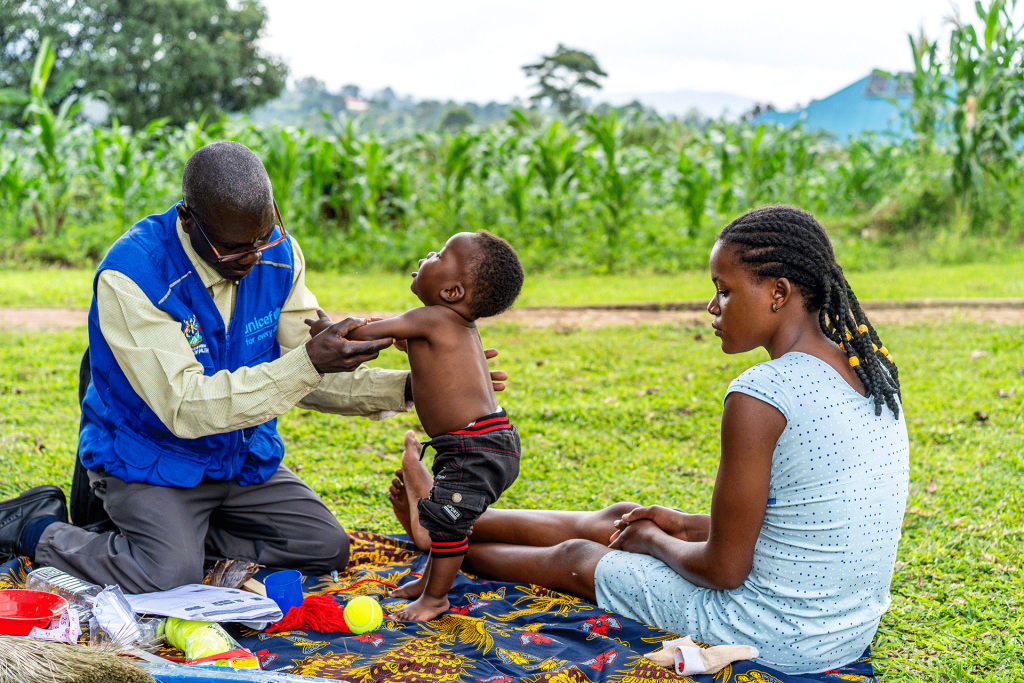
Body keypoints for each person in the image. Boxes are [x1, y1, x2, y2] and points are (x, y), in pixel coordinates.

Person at [392, 206, 909, 674]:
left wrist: (655, 542)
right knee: (621, 517)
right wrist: (679, 524)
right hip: (842, 631)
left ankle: (442, 538)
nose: (712, 306)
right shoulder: (869, 370)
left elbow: (724, 570)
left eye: (725, 290)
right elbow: (804, 521)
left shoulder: (761, 394)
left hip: (768, 632)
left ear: (778, 293)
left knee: (576, 556)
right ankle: (447, 520)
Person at [0, 141, 507, 594]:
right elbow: (185, 407)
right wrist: (308, 362)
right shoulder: (132, 276)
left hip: (237, 459)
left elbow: (307, 371)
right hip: (151, 458)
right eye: (235, 247)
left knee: (324, 547)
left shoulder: (278, 255)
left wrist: (417, 387)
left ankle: (172, 535)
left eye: (263, 237)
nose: (254, 255)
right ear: (188, 219)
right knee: (165, 575)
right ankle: (35, 526)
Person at [309, 230, 525, 621]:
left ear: (452, 292)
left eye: (439, 255)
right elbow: (413, 346)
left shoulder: (427, 318)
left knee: (449, 523)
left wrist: (330, 328)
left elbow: (357, 339)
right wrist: (398, 337)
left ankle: (435, 599)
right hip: (488, 440)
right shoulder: (454, 324)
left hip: (473, 448)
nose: (428, 255)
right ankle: (430, 584)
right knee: (450, 518)